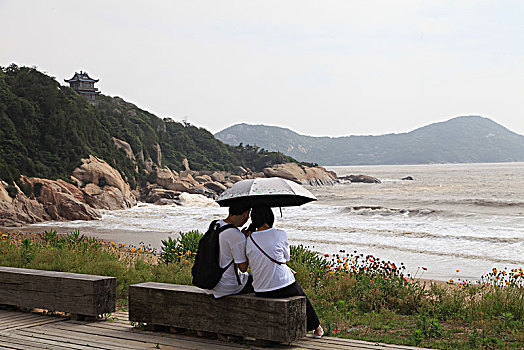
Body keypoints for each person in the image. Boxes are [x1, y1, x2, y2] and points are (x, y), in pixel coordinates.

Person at [245, 205, 323, 338]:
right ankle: (317, 328)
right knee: (301, 295)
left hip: (261, 290)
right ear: (271, 218)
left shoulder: (249, 239)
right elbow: (286, 258)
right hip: (283, 287)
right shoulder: (280, 233)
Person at [210, 199, 254, 298]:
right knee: (261, 283)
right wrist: (244, 242)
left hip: (210, 281)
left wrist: (240, 239)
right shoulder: (237, 235)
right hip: (228, 285)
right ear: (245, 214)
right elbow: (243, 268)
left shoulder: (215, 224)